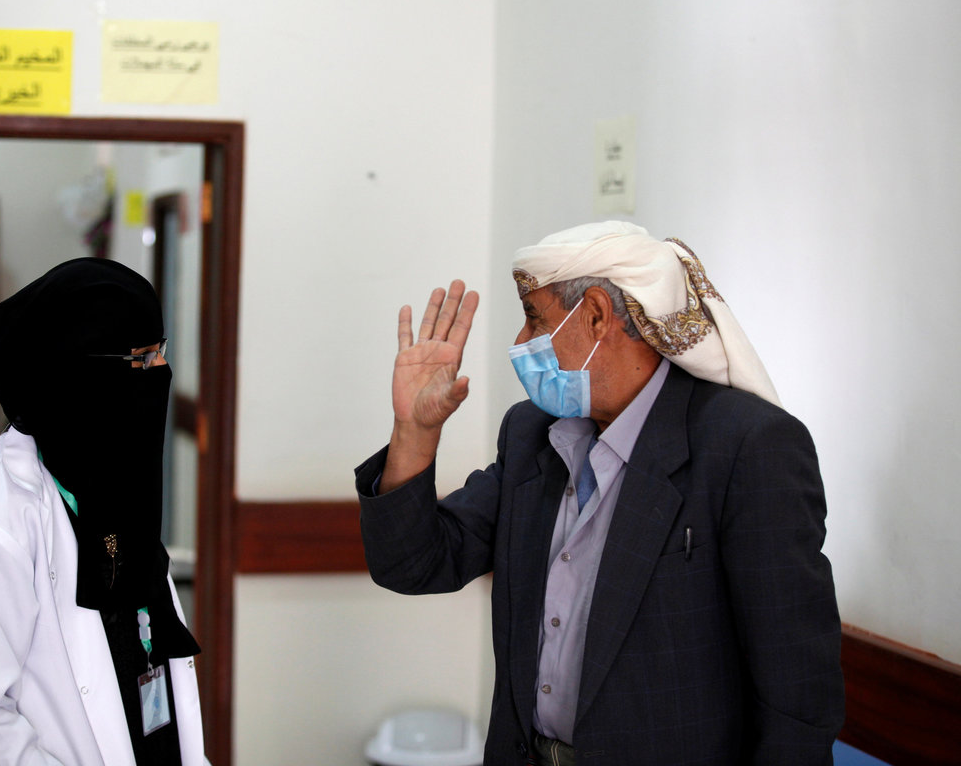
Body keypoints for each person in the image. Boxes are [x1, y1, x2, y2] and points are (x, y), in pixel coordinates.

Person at [355, 221, 844, 765]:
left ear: (595, 314)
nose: (520, 341)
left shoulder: (745, 445)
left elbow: (797, 689)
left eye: (534, 318)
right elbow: (413, 565)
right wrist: (414, 431)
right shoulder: (532, 434)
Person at [0, 258, 207, 765]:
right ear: (81, 372)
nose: (157, 375)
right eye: (141, 359)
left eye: (159, 355)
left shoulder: (117, 477)